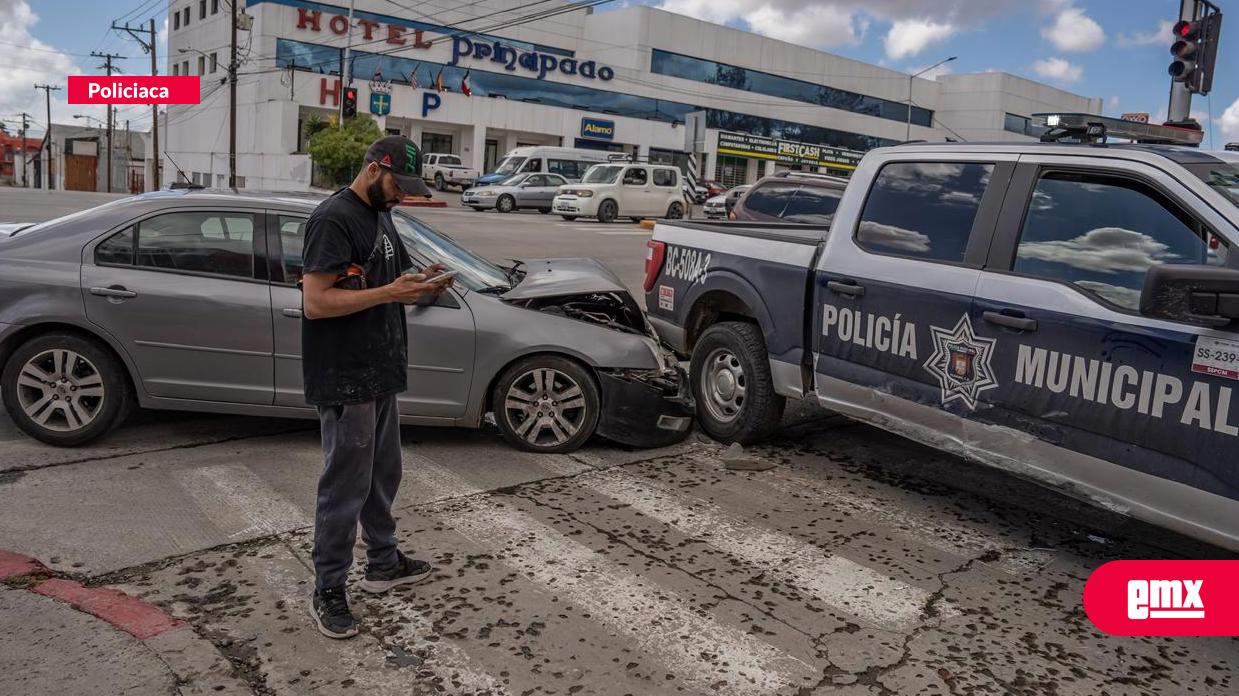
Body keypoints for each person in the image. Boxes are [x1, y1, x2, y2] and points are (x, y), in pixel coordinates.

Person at [299, 135, 453, 639]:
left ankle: (383, 562)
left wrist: (424, 282)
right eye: (398, 184)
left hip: (381, 368)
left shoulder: (382, 215)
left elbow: (391, 277)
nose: (403, 195)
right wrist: (390, 291)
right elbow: (317, 303)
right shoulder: (332, 219)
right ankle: (328, 587)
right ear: (372, 169)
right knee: (344, 485)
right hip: (346, 376)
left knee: (383, 475)